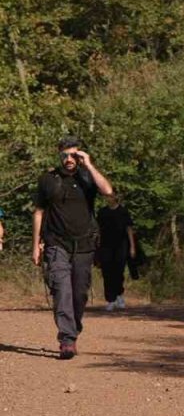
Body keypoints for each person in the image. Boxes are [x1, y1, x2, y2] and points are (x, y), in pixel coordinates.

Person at [32, 136, 115, 359]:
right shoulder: (48, 179)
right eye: (65, 155)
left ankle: (73, 328)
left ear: (80, 156)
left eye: (73, 155)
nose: (69, 159)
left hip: (84, 246)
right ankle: (67, 340)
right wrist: (35, 246)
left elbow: (108, 192)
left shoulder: (88, 177)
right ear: (59, 154)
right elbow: (39, 212)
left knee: (79, 293)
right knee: (62, 291)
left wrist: (88, 164)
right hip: (56, 244)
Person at [97, 193, 136, 311]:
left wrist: (132, 247)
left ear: (115, 197)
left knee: (118, 271)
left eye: (111, 196)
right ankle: (110, 299)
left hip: (121, 246)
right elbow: (98, 230)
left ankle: (119, 295)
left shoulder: (123, 211)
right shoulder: (102, 212)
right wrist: (97, 246)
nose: (109, 199)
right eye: (107, 196)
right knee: (107, 272)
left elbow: (129, 229)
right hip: (105, 246)